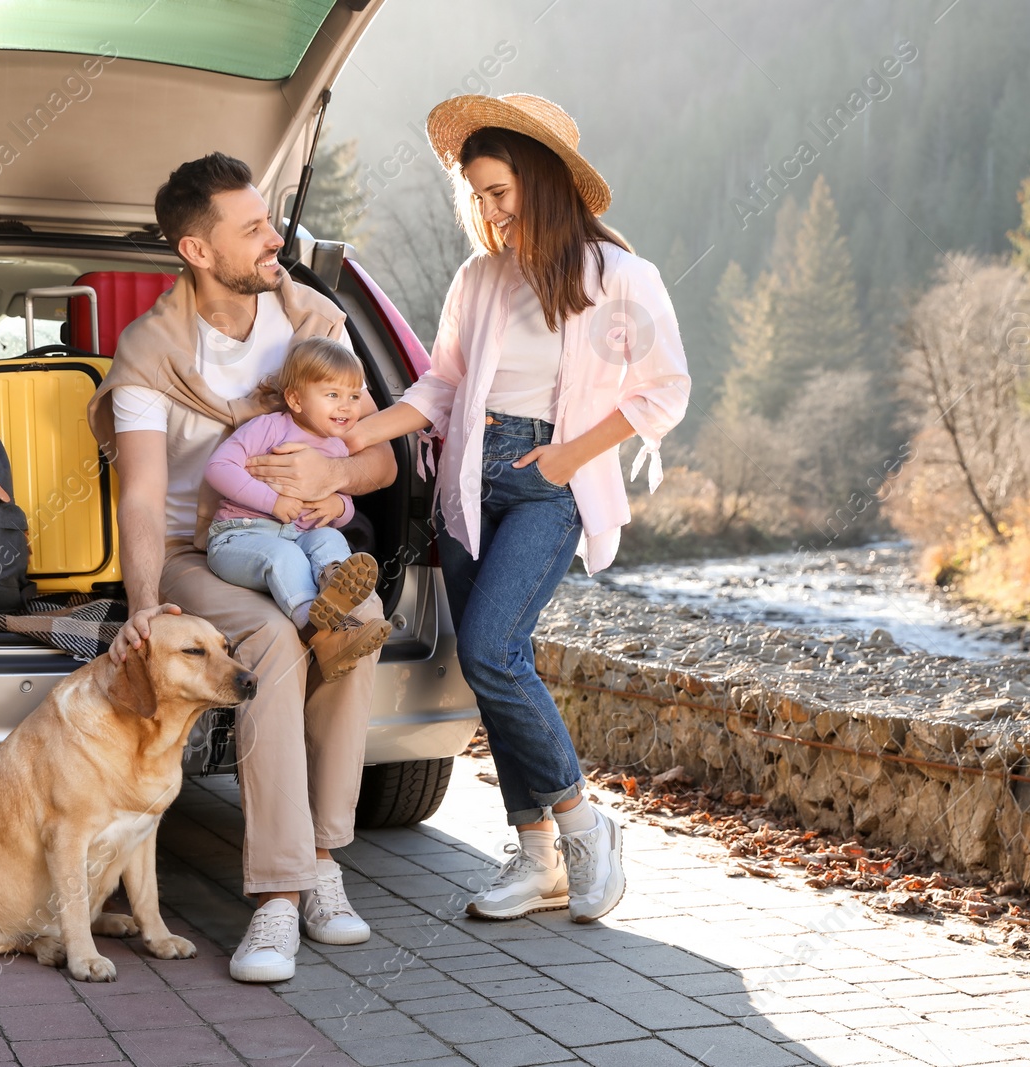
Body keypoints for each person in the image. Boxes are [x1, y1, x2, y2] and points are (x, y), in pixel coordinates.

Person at [344, 94, 690, 923]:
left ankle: (584, 825)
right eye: (478, 197)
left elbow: (665, 391)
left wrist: (572, 454)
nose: (490, 212)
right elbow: (441, 383)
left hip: (549, 484)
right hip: (470, 479)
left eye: (500, 192)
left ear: (542, 181)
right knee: (488, 666)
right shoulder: (481, 277)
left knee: (495, 651)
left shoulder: (619, 279)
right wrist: (358, 428)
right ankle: (537, 857)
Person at [86, 153, 398, 983]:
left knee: (358, 621)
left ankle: (324, 860)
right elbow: (145, 495)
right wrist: (146, 603)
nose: (275, 239)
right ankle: (277, 898)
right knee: (268, 636)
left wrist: (333, 480)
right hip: (206, 552)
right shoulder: (149, 351)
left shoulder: (314, 321)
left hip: (296, 539)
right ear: (197, 250)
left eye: (271, 222)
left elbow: (379, 463)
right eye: (253, 228)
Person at [203, 337, 391, 678]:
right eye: (332, 395)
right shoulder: (269, 428)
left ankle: (333, 579)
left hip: (298, 540)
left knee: (331, 540)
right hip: (239, 538)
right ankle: (317, 633)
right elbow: (218, 468)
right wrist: (272, 501)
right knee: (284, 557)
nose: (346, 407)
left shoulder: (337, 448)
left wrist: (337, 505)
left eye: (353, 396)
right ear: (295, 399)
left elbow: (345, 505)